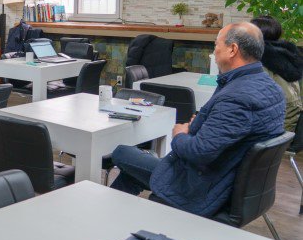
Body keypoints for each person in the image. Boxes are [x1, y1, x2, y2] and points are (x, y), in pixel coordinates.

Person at [109, 22, 286, 217]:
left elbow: (198, 152)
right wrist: (203, 125)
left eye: (217, 44)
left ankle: (109, 218)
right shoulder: (271, 88)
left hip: (203, 186)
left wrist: (179, 135)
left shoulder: (237, 97)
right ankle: (113, 218)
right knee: (131, 172)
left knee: (121, 153)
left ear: (232, 50)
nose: (214, 50)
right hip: (226, 181)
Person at [250, 15, 302, 132]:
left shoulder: (261, 58)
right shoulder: (287, 53)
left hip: (274, 125)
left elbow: (258, 99)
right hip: (289, 121)